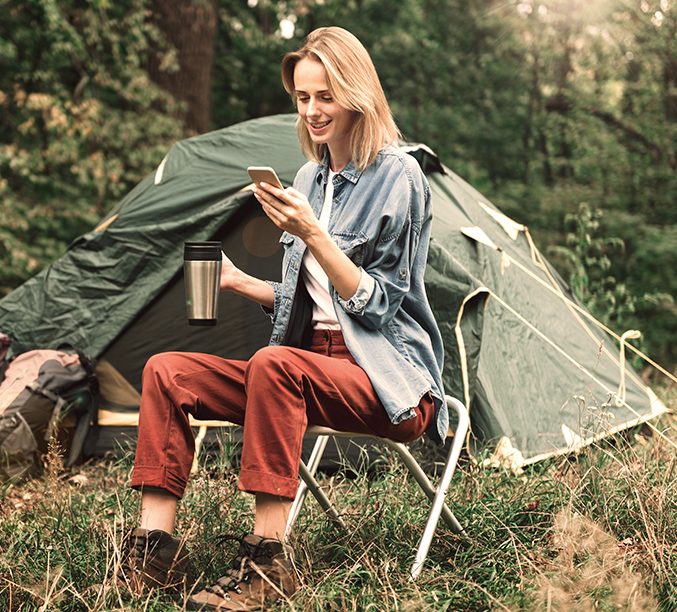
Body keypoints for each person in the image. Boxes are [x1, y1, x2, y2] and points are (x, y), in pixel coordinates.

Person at [117, 26, 447, 611]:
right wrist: (240, 282)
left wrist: (314, 234)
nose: (313, 111)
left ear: (357, 93)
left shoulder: (400, 176)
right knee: (167, 370)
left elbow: (377, 304)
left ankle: (266, 567)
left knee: (273, 364)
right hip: (304, 370)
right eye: (302, 98)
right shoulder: (306, 179)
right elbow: (312, 300)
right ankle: (154, 555)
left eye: (326, 95)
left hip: (387, 378)